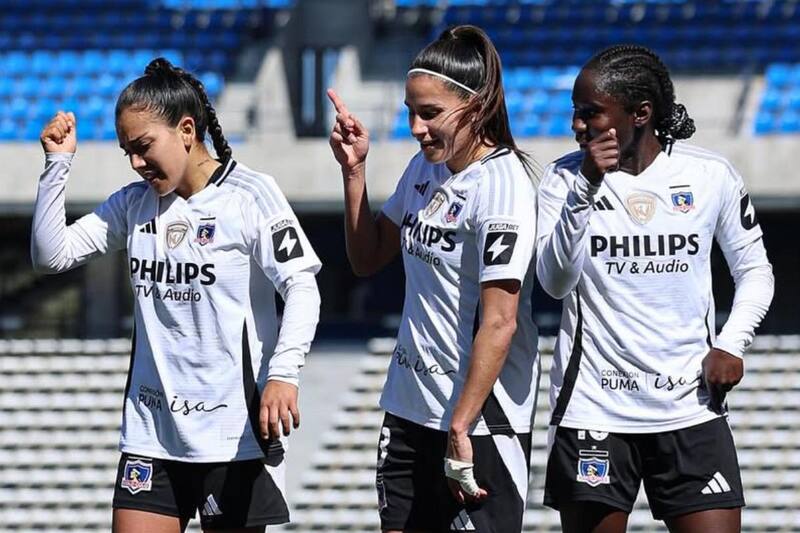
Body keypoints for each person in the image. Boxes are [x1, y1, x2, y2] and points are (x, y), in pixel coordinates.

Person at [31, 58, 322, 533]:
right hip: (152, 435)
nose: (136, 163)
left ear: (187, 129)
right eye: (128, 151)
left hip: (235, 438)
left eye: (143, 147)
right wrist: (57, 165)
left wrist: (283, 374)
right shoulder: (134, 203)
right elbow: (51, 255)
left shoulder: (250, 195)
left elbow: (302, 285)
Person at [536, 44, 774, 533]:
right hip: (594, 408)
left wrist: (731, 343)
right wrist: (585, 188)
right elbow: (554, 283)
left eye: (590, 114)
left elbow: (756, 270)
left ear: (640, 113)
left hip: (690, 406)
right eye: (575, 114)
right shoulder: (563, 179)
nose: (578, 125)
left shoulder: (709, 175)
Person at [328, 24, 539, 533]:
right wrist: (354, 173)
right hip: (408, 409)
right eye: (410, 111)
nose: (416, 127)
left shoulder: (503, 186)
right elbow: (368, 256)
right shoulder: (424, 171)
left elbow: (500, 323)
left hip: (479, 422)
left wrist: (461, 425)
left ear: (477, 107)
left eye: (429, 113)